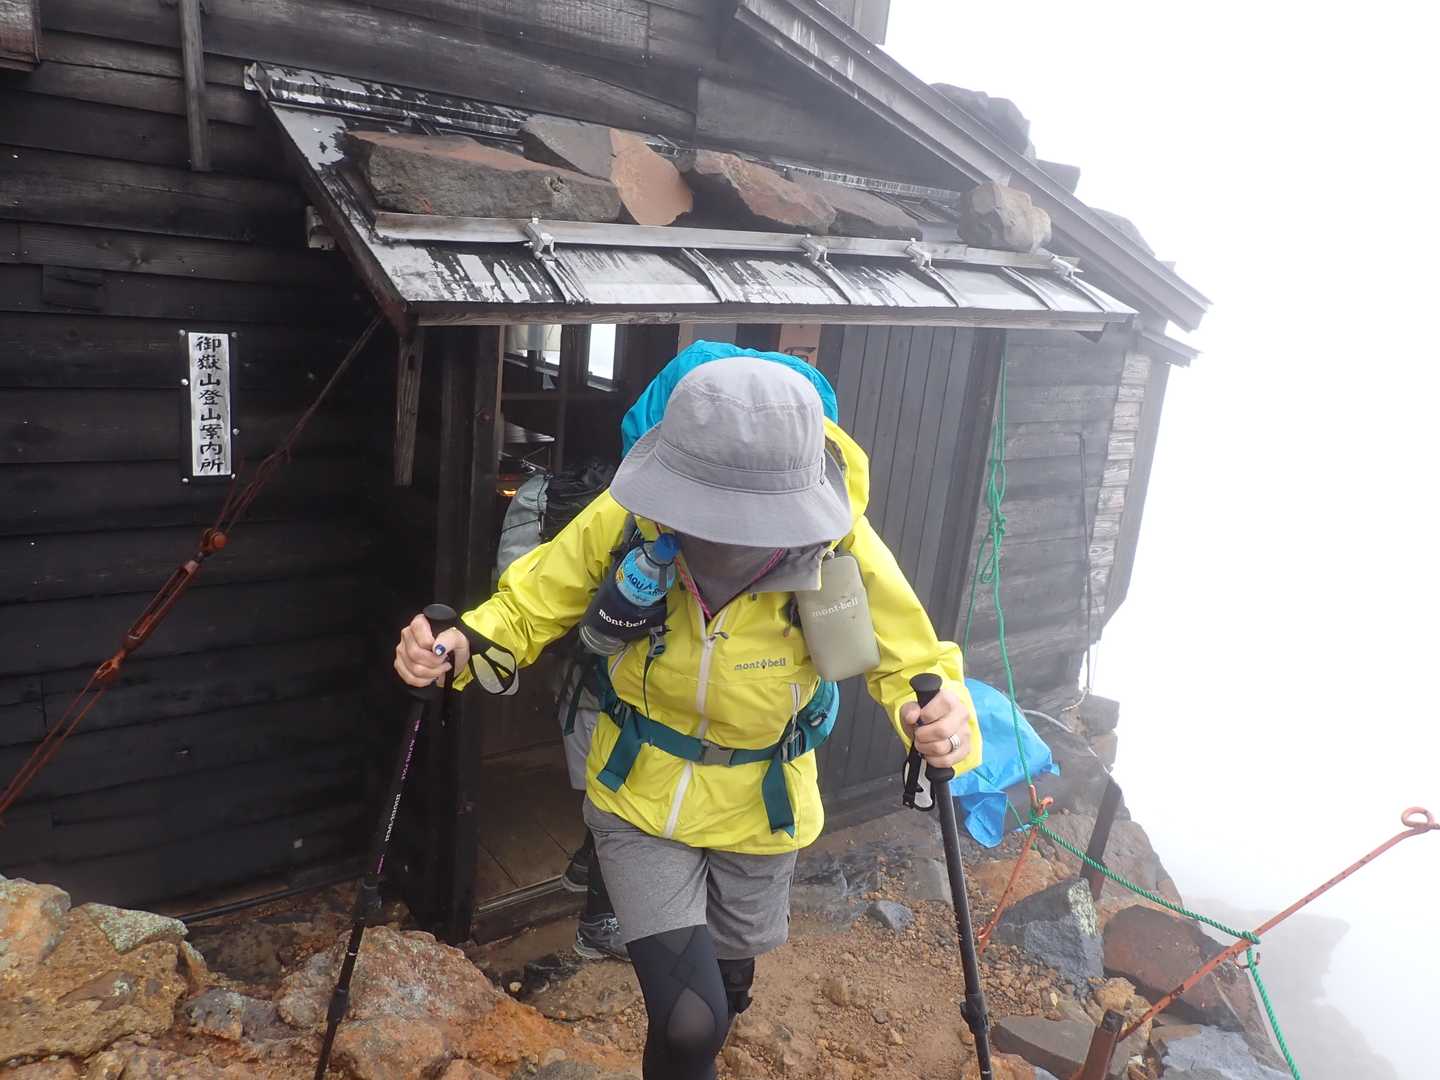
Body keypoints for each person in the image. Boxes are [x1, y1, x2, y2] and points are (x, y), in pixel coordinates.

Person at [395, 357, 981, 1080]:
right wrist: (458, 643)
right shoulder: (629, 515)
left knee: (723, 999)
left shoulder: (840, 541)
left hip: (763, 804)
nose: (725, 531)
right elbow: (531, 602)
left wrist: (944, 719)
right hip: (639, 790)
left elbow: (914, 660)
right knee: (689, 1018)